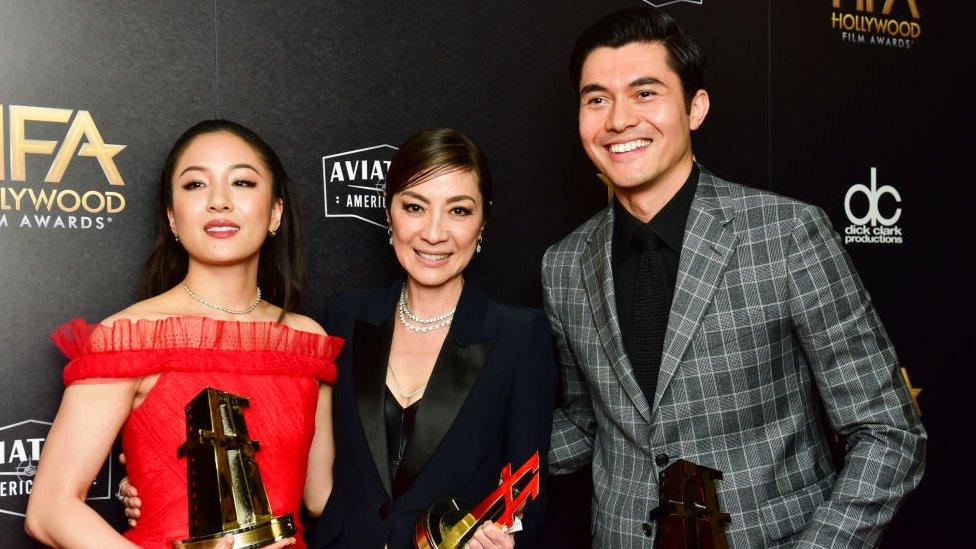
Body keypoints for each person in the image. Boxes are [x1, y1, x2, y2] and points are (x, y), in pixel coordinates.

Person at [543, 7, 925, 547]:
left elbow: (888, 432)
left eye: (645, 93)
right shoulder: (563, 265)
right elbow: (586, 425)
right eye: (596, 98)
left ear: (695, 107)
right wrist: (459, 445)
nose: (618, 119)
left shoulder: (787, 235)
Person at [25, 120, 341, 549]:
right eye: (195, 185)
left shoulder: (305, 341)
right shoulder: (132, 335)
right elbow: (50, 510)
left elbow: (321, 497)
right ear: (173, 218)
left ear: (276, 213)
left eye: (243, 182)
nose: (219, 202)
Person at [312, 128, 557, 548]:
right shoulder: (343, 319)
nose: (434, 233)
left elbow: (526, 494)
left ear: (483, 221)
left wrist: (504, 538)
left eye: (459, 211)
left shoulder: (520, 336)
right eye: (414, 207)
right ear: (389, 213)